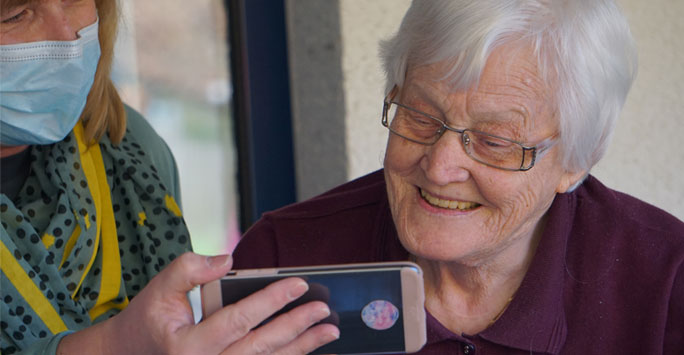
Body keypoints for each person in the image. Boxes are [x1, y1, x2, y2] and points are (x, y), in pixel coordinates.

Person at [232, 0, 684, 354]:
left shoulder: (666, 281)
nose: (439, 166)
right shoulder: (286, 258)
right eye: (420, 116)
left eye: (494, 140)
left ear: (574, 163)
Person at [0, 0, 339, 354]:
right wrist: (114, 345)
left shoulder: (126, 148)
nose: (68, 36)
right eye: (14, 15)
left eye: (73, 0)